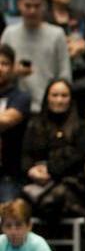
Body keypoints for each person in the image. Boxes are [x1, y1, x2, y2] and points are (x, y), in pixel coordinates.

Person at [22, 78, 85, 243]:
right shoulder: (35, 124)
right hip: (36, 183)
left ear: (70, 98)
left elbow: (80, 156)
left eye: (64, 95)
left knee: (54, 199)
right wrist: (31, 171)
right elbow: (26, 156)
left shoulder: (79, 126)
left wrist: (50, 171)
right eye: (55, 95)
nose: (59, 100)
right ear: (47, 97)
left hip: (72, 183)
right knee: (16, 206)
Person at [0, 0, 69, 112]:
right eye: (28, 6)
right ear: (19, 5)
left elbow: (65, 74)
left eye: (36, 6)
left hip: (49, 106)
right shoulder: (9, 34)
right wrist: (14, 72)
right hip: (15, 107)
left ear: (43, 6)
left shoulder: (57, 34)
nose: (32, 11)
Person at [41, 0, 85, 116]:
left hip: (81, 79)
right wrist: (63, 50)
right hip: (53, 80)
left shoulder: (78, 15)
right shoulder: (43, 17)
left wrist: (83, 47)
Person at [0, 45, 32, 203]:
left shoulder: (21, 97)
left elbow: (6, 121)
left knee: (8, 223)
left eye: (4, 64)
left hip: (9, 175)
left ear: (13, 68)